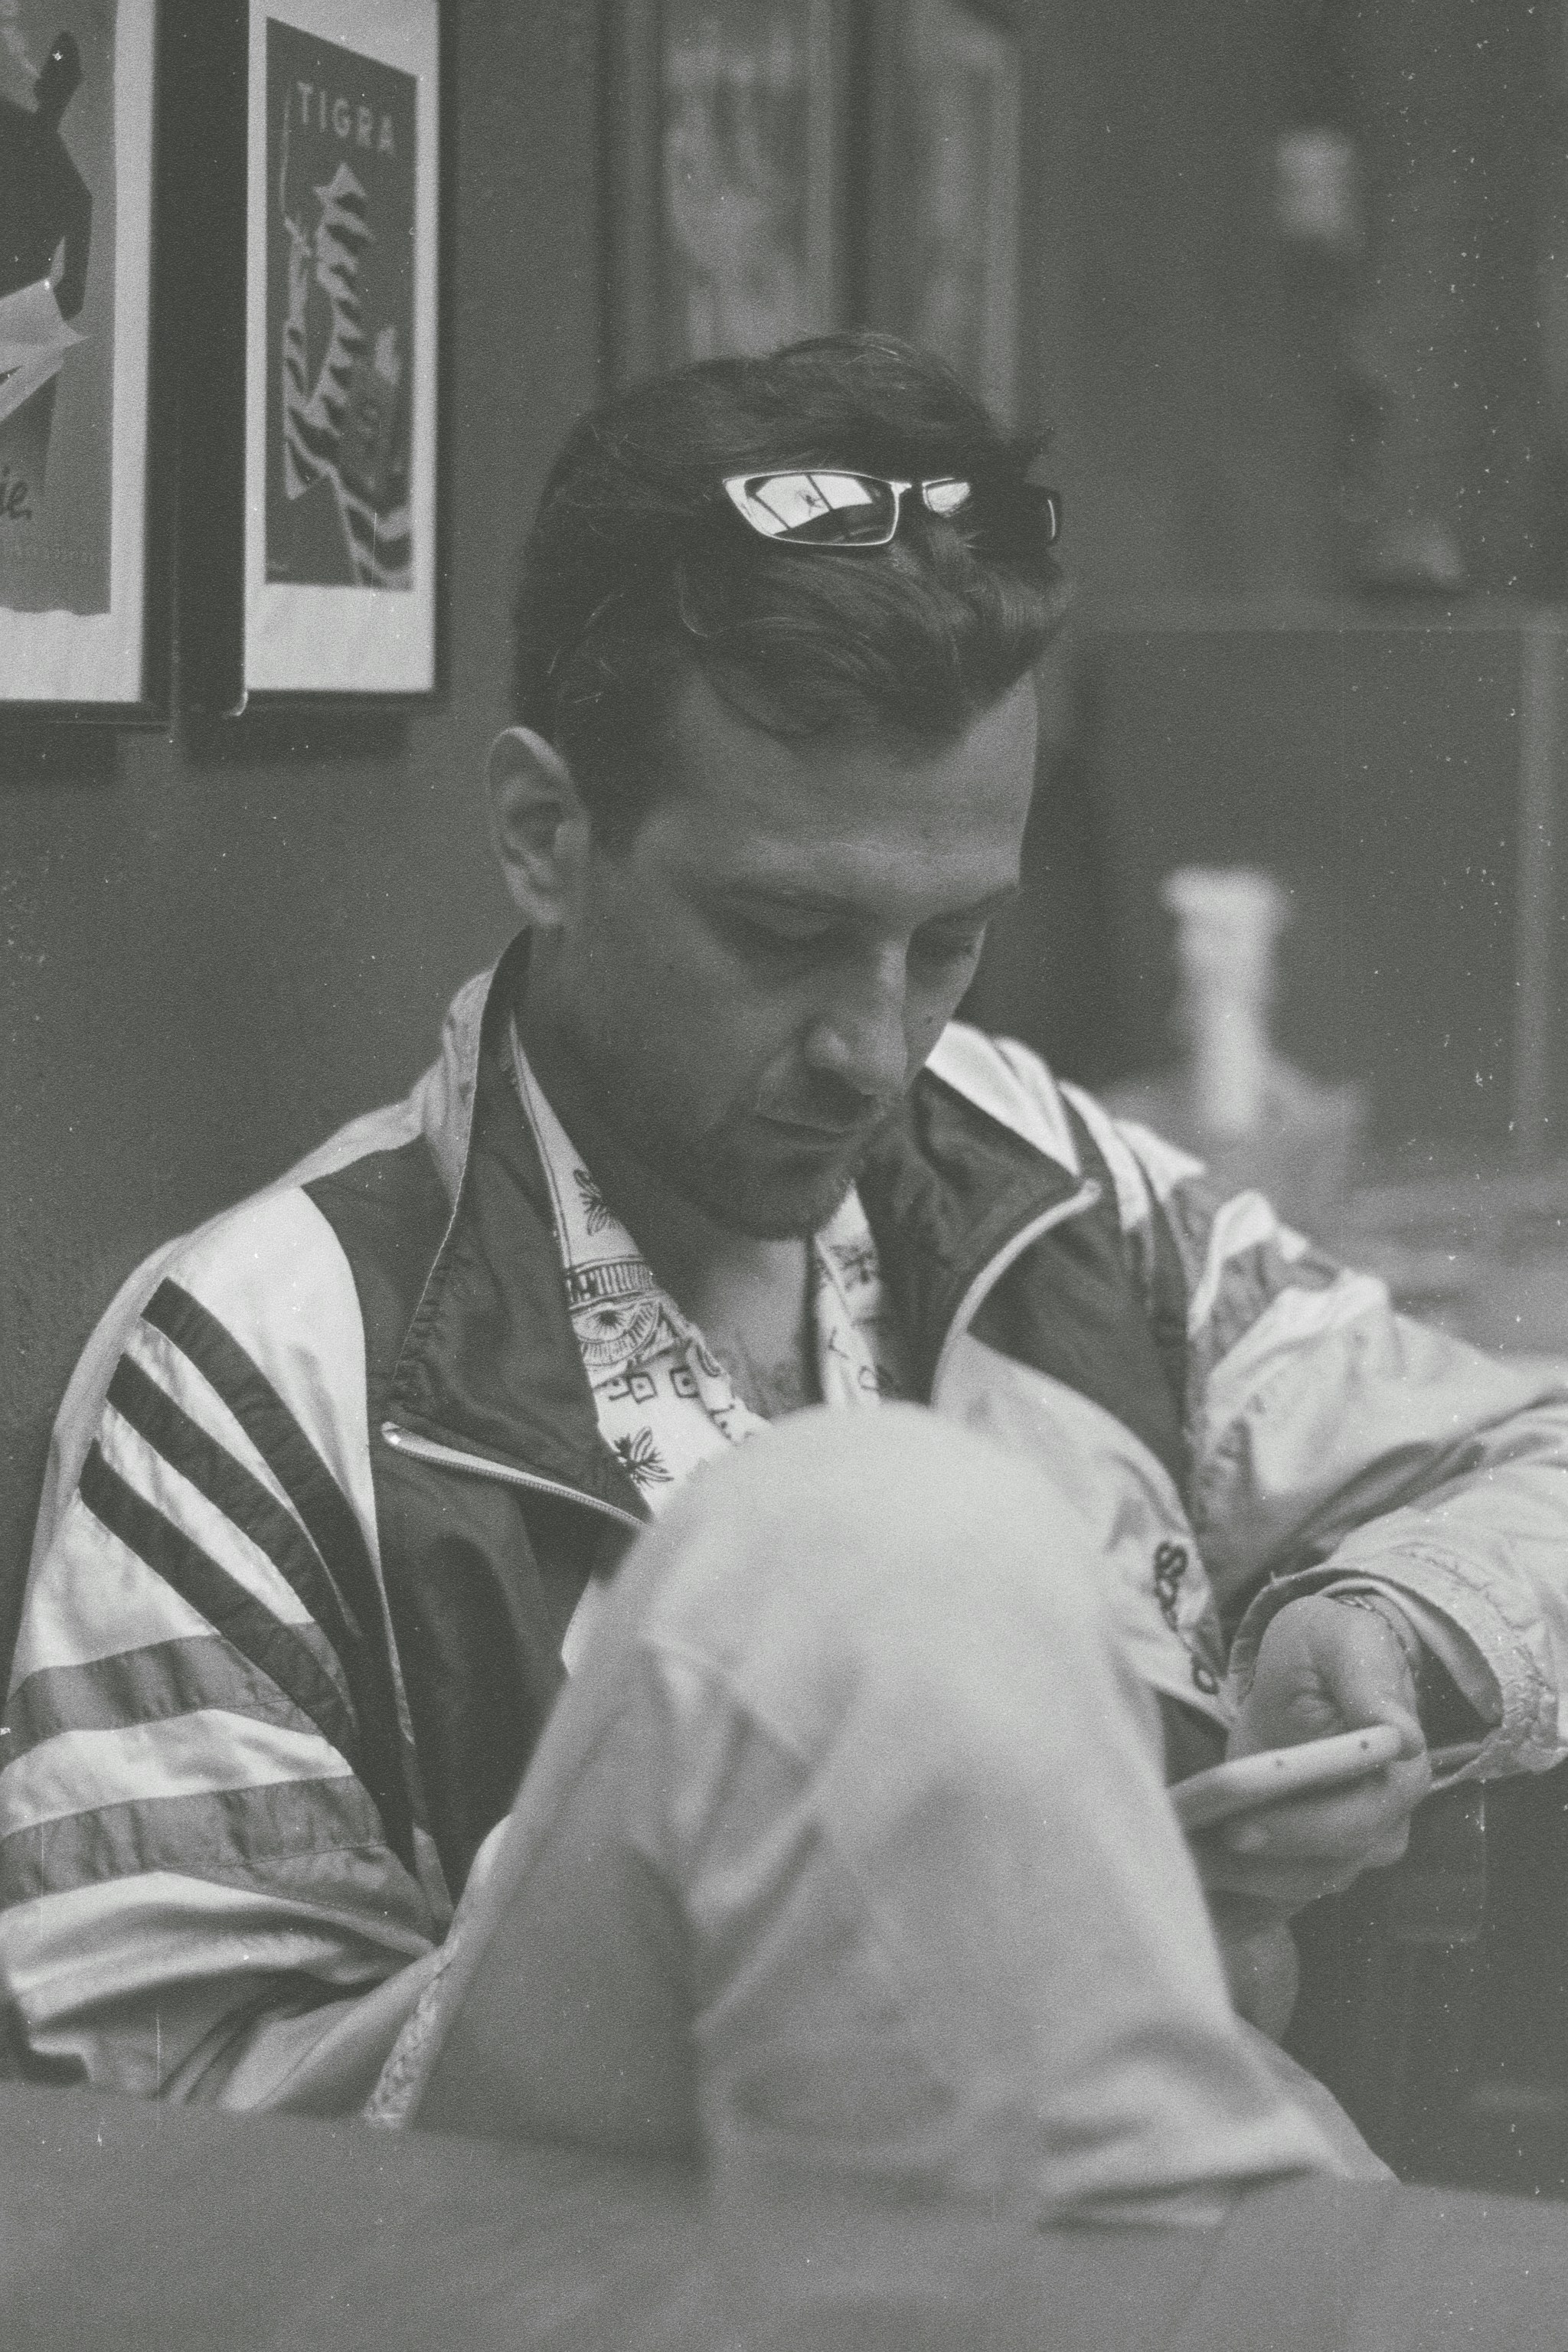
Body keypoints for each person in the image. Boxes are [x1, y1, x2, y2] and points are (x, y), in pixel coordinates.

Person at [4, 335, 1568, 2228]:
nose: (875, 1045)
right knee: (875, 1546)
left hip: (1108, 2239)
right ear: (543, 835)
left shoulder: (1032, 1173)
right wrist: (790, 1895)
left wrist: (1388, 1628)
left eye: (952, 942)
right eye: (785, 931)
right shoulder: (257, 1359)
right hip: (595, 2289)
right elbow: (151, 2158)